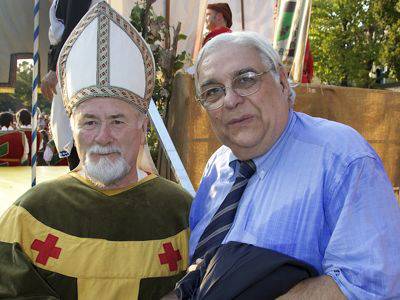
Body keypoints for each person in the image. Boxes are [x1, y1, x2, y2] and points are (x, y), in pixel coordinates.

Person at [0, 2, 191, 299]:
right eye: (89, 122)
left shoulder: (182, 215)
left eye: (117, 120)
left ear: (143, 127)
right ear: (72, 128)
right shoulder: (30, 215)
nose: (103, 136)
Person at [189, 31, 400, 299]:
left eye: (246, 79)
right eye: (213, 91)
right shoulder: (217, 166)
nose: (230, 100)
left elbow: (369, 285)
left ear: (282, 81)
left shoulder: (341, 158)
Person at [41, 0, 100, 170]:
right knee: (72, 125)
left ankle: (83, 184)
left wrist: (54, 69)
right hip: (71, 61)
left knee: (79, 124)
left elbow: (75, 29)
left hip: (78, 62)